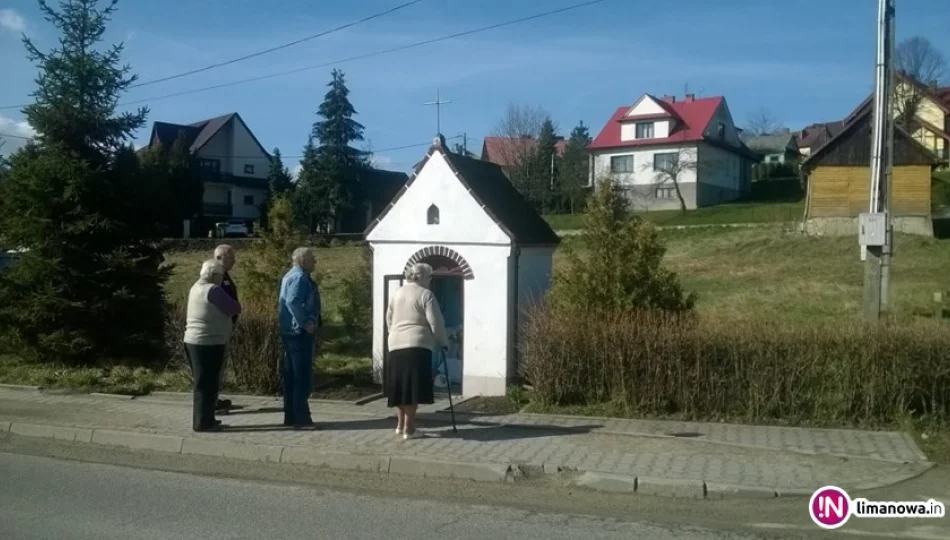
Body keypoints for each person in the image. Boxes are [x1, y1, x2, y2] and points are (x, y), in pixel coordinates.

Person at [385, 262, 449, 440]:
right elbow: (436, 322)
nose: (430, 280)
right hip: (417, 344)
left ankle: (400, 425)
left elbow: (389, 318)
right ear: (422, 277)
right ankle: (410, 428)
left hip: (396, 344)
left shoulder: (397, 293)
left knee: (400, 386)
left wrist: (394, 333)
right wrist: (442, 342)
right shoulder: (426, 294)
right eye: (429, 277)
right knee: (413, 387)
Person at [183, 259, 242, 432]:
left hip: (194, 341)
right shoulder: (213, 290)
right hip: (208, 342)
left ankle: (207, 419)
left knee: (203, 383)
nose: (221, 279)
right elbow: (235, 307)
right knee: (207, 384)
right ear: (214, 275)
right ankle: (203, 422)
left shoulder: (195, 287)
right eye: (220, 275)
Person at [279, 247, 321, 430]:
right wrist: (306, 322)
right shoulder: (300, 278)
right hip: (298, 332)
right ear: (303, 260)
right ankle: (301, 418)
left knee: (292, 375)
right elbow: (292, 301)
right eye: (312, 258)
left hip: (290, 331)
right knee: (300, 376)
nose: (315, 262)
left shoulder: (291, 275)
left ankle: (291, 415)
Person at [213, 244, 238, 412]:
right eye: (230, 258)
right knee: (216, 365)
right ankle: (212, 402)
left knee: (221, 365)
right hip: (218, 328)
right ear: (219, 258)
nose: (234, 262)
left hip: (226, 326)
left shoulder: (224, 275)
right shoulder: (215, 277)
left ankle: (214, 397)